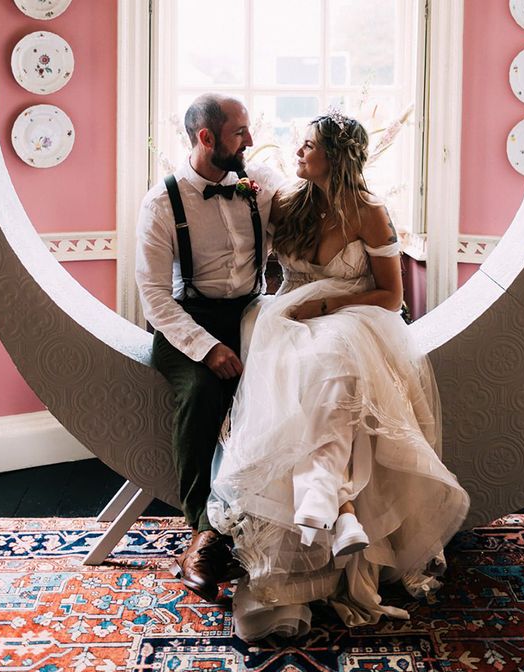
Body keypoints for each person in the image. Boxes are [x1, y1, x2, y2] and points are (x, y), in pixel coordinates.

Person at [207, 109, 470, 641]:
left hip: (347, 316)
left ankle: (329, 501)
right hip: (285, 322)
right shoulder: (288, 199)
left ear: (338, 156)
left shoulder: (370, 211)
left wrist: (326, 305)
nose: (298, 153)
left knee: (333, 370)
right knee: (306, 374)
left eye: (308, 146)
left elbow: (391, 295)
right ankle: (339, 507)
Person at [135, 93, 284, 602]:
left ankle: (274, 525)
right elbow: (154, 296)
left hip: (250, 315)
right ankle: (203, 534)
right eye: (240, 131)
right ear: (206, 138)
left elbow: (309, 223)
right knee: (202, 391)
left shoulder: (261, 187)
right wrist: (207, 348)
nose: (250, 140)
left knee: (283, 391)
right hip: (184, 323)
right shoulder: (161, 203)